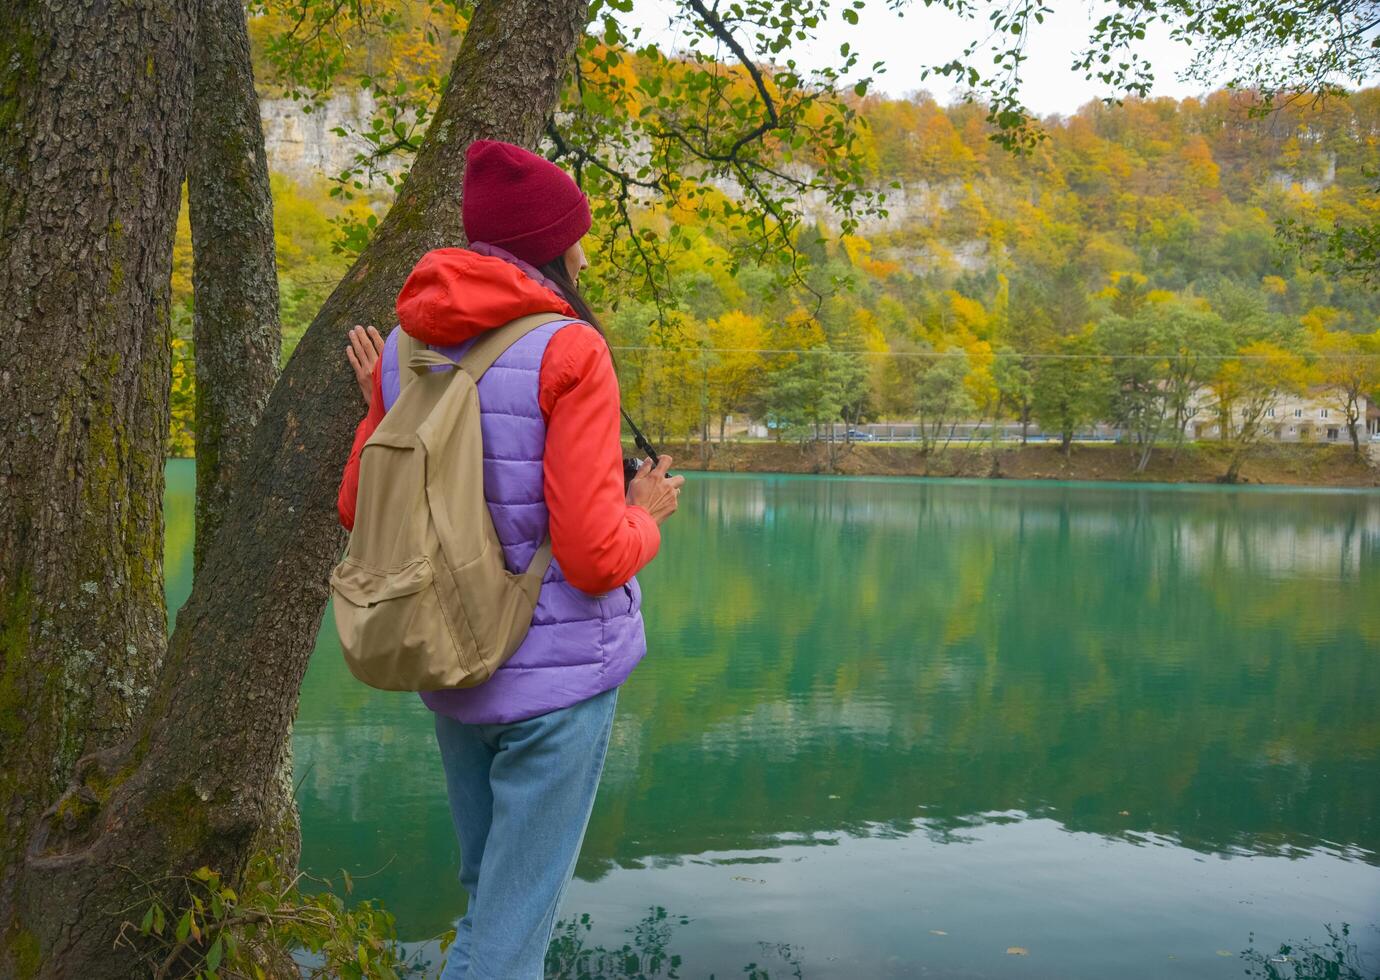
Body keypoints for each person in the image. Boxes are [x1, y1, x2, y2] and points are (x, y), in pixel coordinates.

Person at [337, 138, 685, 979]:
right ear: (549, 247)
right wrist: (647, 513)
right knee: (510, 938)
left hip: (451, 668)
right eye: (577, 235)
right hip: (556, 685)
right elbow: (597, 556)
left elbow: (358, 508)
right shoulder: (571, 350)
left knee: (488, 895)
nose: (585, 250)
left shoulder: (402, 349)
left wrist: (379, 409)